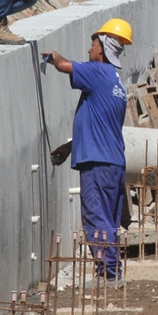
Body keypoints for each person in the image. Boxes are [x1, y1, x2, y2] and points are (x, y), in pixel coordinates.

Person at [45, 18, 133, 282]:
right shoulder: (116, 84)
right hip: (112, 162)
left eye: (93, 45)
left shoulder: (98, 71)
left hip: (97, 163)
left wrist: (51, 56)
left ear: (102, 48)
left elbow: (64, 65)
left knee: (96, 218)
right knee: (108, 220)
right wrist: (70, 147)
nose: (89, 50)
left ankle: (109, 275)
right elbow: (100, 126)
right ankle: (110, 273)